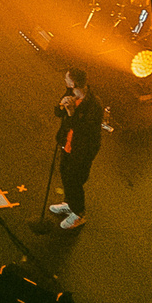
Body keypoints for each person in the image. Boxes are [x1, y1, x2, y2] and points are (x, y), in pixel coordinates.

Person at [49, 67, 107, 229]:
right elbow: (58, 112)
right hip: (67, 144)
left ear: (74, 82)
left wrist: (71, 112)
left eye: (67, 78)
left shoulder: (94, 105)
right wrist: (62, 107)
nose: (65, 80)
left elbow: (84, 131)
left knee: (74, 180)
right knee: (64, 174)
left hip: (81, 150)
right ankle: (70, 204)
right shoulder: (70, 93)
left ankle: (79, 213)